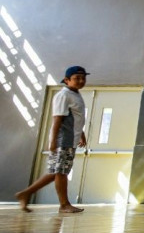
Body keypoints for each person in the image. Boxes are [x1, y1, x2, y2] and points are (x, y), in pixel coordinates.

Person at [15, 66, 89, 213]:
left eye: (83, 78)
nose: (81, 81)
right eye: (76, 78)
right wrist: (53, 141)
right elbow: (57, 120)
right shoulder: (64, 95)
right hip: (64, 140)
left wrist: (81, 134)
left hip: (71, 139)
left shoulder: (75, 94)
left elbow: (77, 118)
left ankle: (26, 193)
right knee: (61, 173)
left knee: (57, 172)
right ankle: (64, 204)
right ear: (67, 80)